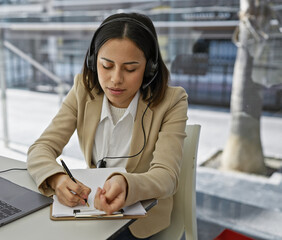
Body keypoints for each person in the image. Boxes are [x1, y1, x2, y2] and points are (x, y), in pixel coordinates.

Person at [27, 12, 188, 239]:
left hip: (140, 225)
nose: (115, 79)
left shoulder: (172, 101)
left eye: (130, 69)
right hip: (94, 214)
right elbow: (41, 148)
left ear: (150, 68)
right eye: (106, 65)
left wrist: (126, 182)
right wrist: (57, 178)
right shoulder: (83, 89)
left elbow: (167, 177)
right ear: (94, 62)